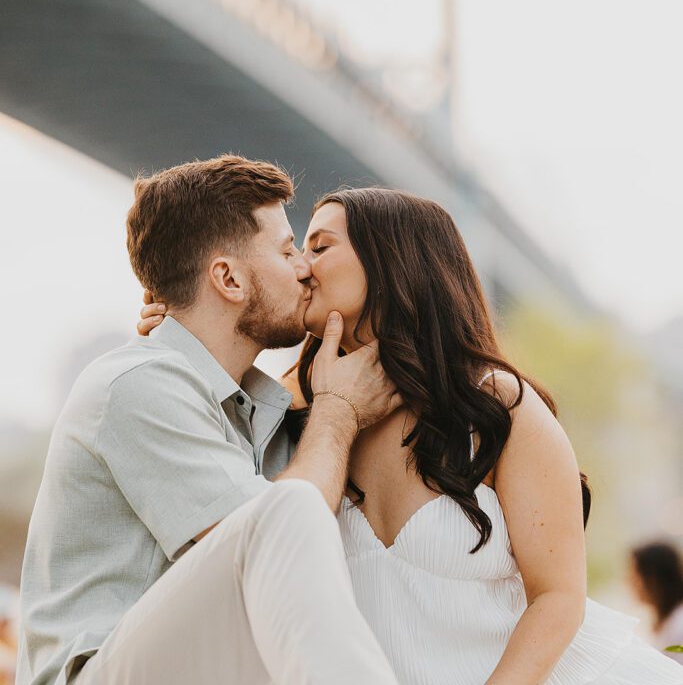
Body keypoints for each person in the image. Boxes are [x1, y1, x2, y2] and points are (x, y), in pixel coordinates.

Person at [145, 186, 683, 684]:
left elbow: (560, 598)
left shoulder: (495, 405)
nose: (301, 267)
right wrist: (184, 327)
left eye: (320, 246)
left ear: (390, 260)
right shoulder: (291, 413)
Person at [17, 156, 401, 685]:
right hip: (97, 673)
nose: (304, 267)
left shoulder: (258, 410)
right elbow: (269, 541)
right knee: (285, 509)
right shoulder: (139, 384)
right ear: (227, 278)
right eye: (287, 249)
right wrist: (338, 410)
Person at [629, 543, 683, 665]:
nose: (629, 581)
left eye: (634, 575)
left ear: (652, 578)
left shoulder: (679, 624)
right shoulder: (667, 620)